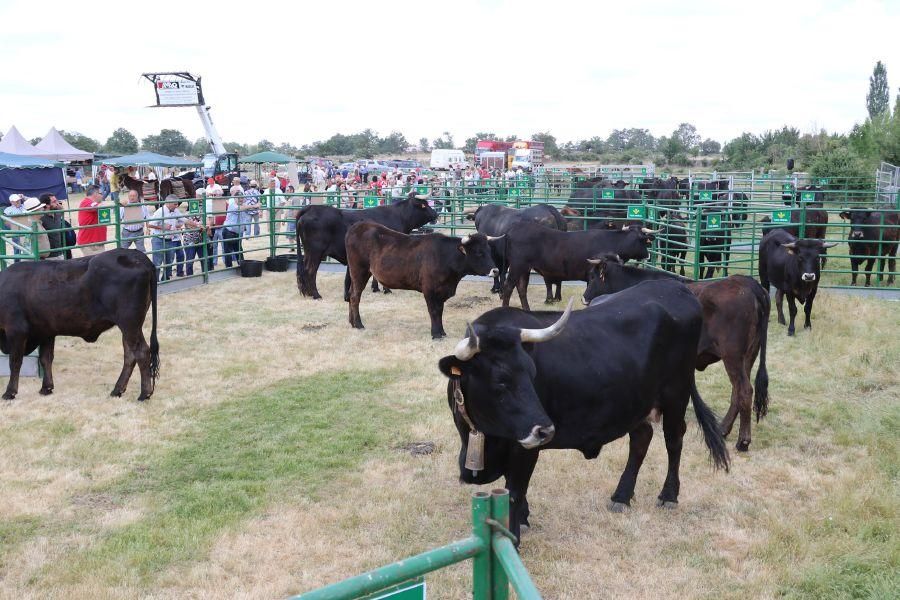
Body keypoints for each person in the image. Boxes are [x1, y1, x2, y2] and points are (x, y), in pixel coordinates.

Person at [147, 195, 183, 281]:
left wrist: (196, 225)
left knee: (169, 261)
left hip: (169, 239)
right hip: (158, 239)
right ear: (169, 204)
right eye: (175, 204)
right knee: (157, 262)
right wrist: (164, 227)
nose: (177, 206)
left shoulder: (175, 211)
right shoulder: (160, 212)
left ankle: (165, 279)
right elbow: (150, 224)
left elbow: (183, 220)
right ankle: (155, 282)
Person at [222, 185, 252, 267]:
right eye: (239, 198)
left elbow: (245, 208)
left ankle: (242, 266)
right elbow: (240, 208)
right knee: (228, 251)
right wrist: (254, 206)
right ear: (235, 199)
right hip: (229, 231)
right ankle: (228, 268)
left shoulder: (243, 205)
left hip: (237, 232)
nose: (241, 199)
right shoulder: (233, 205)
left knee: (239, 250)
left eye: (242, 198)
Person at [76, 185, 108, 256]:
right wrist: (117, 203)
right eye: (101, 193)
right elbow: (97, 207)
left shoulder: (90, 203)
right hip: (90, 243)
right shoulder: (86, 202)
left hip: (96, 242)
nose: (102, 195)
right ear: (95, 194)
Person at [205, 177, 226, 268]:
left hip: (220, 225)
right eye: (209, 183)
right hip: (212, 221)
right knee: (214, 244)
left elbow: (221, 193)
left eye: (211, 182)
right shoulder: (207, 188)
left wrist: (214, 193)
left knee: (223, 244)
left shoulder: (217, 187)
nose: (210, 184)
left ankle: (226, 260)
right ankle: (214, 261)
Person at [38, 193, 65, 260]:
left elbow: (62, 210)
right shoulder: (40, 217)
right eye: (54, 201)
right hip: (48, 257)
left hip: (60, 253)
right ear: (47, 205)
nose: (57, 203)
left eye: (57, 200)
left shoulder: (57, 213)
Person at [3, 194, 28, 260]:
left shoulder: (25, 206)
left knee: (28, 248)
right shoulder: (8, 210)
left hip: (27, 230)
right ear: (11, 202)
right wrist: (13, 227)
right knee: (17, 249)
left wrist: (24, 197)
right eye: (16, 201)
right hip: (17, 231)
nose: (18, 202)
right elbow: (6, 221)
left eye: (18, 200)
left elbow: (35, 202)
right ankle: (17, 264)